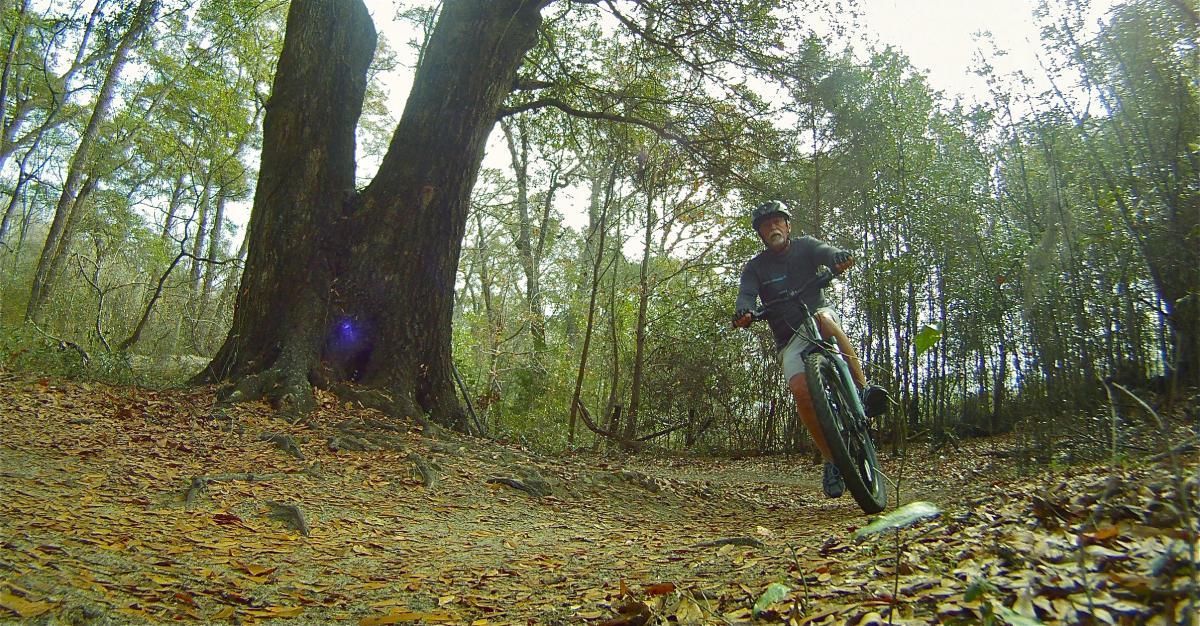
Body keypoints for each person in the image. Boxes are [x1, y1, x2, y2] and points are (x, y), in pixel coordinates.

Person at [732, 200, 888, 499]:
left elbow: (826, 253)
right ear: (761, 234)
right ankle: (832, 459)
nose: (773, 227)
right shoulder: (755, 267)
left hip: (817, 317)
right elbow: (746, 295)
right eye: (766, 225)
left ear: (788, 226)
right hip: (788, 337)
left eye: (778, 222)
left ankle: (864, 389)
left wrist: (838, 258)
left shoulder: (804, 246)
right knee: (801, 391)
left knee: (825, 319)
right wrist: (744, 312)